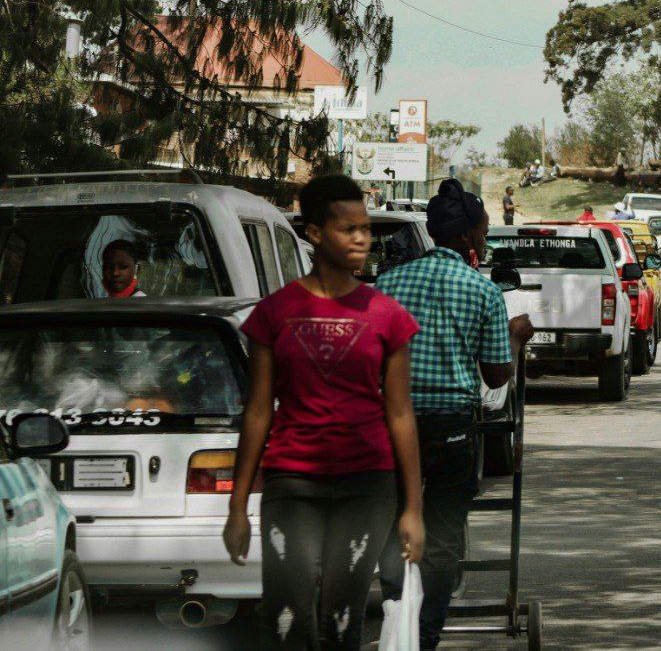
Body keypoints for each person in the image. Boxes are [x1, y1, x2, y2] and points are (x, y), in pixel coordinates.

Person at [224, 174, 425, 650]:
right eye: (348, 229)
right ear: (314, 233)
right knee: (286, 617)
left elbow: (400, 415)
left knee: (341, 619)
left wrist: (412, 508)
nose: (362, 239)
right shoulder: (274, 314)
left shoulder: (387, 315)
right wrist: (236, 508)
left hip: (366, 486)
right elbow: (257, 412)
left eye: (366, 229)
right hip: (291, 485)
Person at [376, 178, 534, 650]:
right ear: (467, 237)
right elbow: (495, 376)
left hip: (389, 425)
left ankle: (395, 622)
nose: (485, 241)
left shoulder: (386, 283)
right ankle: (423, 636)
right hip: (450, 429)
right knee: (442, 535)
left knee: (392, 527)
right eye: (484, 232)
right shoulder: (481, 291)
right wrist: (515, 338)